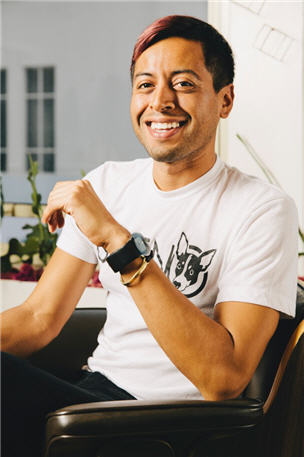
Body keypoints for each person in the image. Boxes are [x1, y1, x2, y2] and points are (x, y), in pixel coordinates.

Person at [1, 15, 298, 457]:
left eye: (183, 84)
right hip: (91, 396)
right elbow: (38, 319)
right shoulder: (108, 184)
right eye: (145, 85)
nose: (160, 101)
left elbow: (223, 379)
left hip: (168, 423)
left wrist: (120, 244)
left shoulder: (262, 209)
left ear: (225, 99)